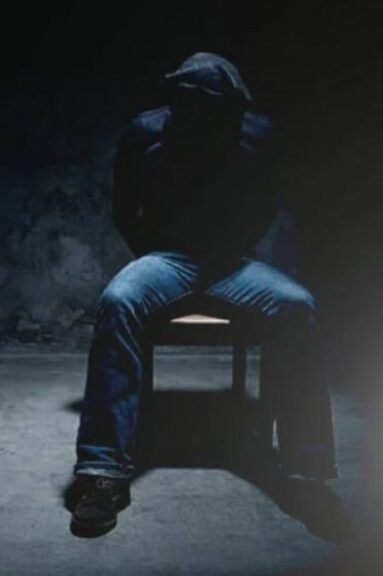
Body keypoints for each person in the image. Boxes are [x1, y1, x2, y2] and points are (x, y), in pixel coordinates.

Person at [69, 52, 336, 538]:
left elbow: (265, 205)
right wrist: (155, 257)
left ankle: (307, 472)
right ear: (180, 100)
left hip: (233, 264)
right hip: (166, 259)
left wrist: (233, 252)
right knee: (119, 300)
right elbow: (125, 208)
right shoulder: (145, 133)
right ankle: (103, 473)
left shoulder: (256, 134)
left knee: (297, 305)